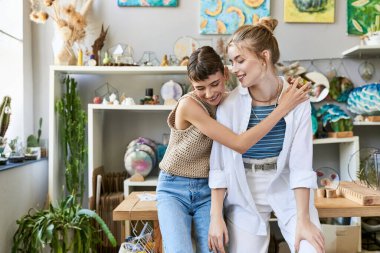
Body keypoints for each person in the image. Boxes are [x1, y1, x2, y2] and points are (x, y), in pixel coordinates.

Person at [156, 45, 310, 253]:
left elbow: (262, 85)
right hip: (174, 188)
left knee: (214, 249)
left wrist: (287, 87)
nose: (209, 93)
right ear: (191, 85)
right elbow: (240, 144)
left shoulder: (229, 101)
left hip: (206, 190)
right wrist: (282, 109)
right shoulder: (189, 105)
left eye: (215, 84)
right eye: (200, 87)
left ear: (226, 74)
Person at [208, 18, 325, 253]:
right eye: (231, 61)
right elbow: (219, 165)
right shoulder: (229, 105)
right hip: (244, 188)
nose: (233, 68)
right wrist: (215, 217)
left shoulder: (297, 98)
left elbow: (301, 165)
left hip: (286, 183)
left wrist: (303, 219)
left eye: (240, 60)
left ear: (264, 57)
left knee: (312, 249)